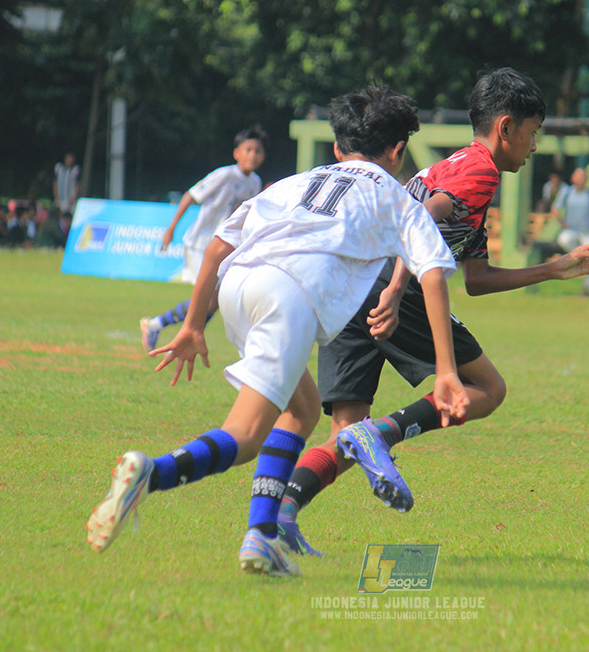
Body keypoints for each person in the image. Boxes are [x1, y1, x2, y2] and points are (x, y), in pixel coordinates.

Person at [85, 84, 470, 578]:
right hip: (288, 296)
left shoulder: (294, 182)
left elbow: (217, 248)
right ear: (397, 152)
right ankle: (149, 474)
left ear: (337, 147)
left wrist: (192, 325)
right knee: (243, 435)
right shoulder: (397, 197)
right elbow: (433, 273)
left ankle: (261, 538)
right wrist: (444, 370)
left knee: (303, 409)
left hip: (237, 287)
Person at [276, 68, 589, 556]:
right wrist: (395, 289)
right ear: (506, 127)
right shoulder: (480, 172)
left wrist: (554, 269)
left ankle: (285, 511)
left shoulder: (458, 167)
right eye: (532, 132)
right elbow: (424, 217)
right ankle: (382, 434)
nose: (534, 146)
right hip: (396, 284)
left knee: (345, 431)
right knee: (489, 389)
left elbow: (476, 280)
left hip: (349, 283)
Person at [139, 126, 268, 354]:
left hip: (222, 248)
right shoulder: (224, 175)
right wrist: (171, 229)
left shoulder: (255, 182)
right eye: (248, 149)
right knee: (208, 298)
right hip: (201, 244)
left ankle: (169, 331)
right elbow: (191, 195)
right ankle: (159, 327)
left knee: (214, 300)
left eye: (258, 151)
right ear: (236, 153)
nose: (253, 155)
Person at [550, 167, 589, 296]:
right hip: (571, 230)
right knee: (563, 239)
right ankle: (577, 258)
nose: (581, 179)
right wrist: (563, 224)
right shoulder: (567, 192)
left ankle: (586, 288)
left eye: (584, 176)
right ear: (573, 178)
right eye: (579, 176)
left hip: (587, 232)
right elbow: (555, 209)